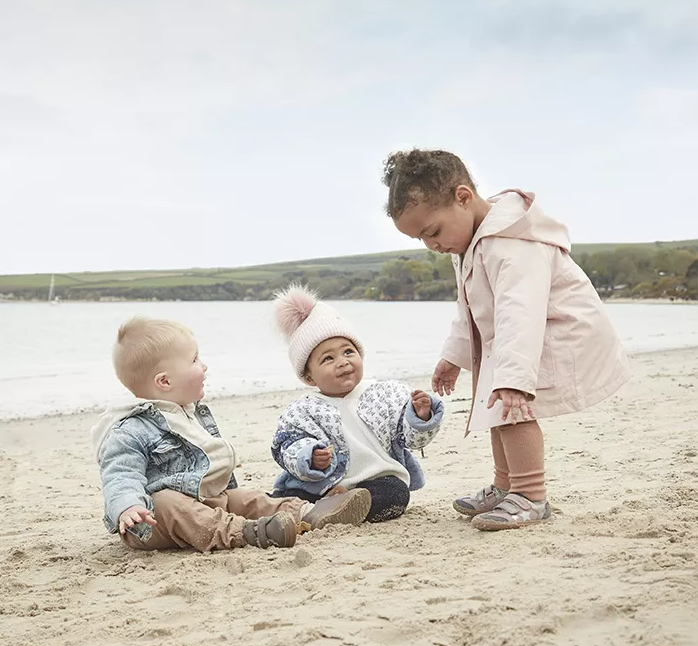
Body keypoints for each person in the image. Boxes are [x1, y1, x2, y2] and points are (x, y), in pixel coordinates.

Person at [382, 148, 631, 530]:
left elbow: (521, 311)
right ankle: (506, 487)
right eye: (421, 239)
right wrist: (453, 357)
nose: (432, 244)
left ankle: (530, 496)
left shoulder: (510, 242)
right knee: (496, 409)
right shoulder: (472, 241)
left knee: (514, 411)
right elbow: (469, 307)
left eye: (433, 231)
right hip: (520, 336)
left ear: (463, 198)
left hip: (557, 330)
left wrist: (514, 377)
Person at [92, 316, 371, 552]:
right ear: (165, 381)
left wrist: (225, 486)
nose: (204, 366)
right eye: (194, 360)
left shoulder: (188, 413)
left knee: (244, 499)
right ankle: (245, 533)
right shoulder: (129, 428)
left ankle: (308, 513)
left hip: (206, 501)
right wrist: (128, 506)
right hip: (150, 522)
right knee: (166, 502)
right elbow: (120, 474)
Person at [269, 285, 443, 522]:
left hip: (374, 481)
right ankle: (317, 508)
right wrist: (309, 456)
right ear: (309, 377)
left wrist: (421, 416)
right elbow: (285, 445)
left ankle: (345, 506)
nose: (342, 362)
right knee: (288, 497)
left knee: (396, 493)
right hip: (320, 487)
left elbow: (410, 439)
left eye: (348, 352)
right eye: (328, 358)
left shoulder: (386, 393)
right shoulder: (302, 410)